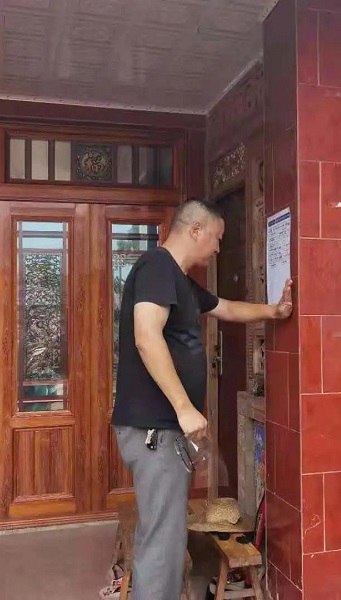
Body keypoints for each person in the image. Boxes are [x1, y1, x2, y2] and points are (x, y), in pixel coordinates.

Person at [111, 198, 292, 600]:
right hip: (155, 429)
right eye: (217, 237)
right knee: (163, 542)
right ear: (195, 230)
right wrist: (183, 407)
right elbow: (146, 336)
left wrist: (276, 312)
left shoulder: (179, 280)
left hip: (163, 431)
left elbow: (226, 308)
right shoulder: (157, 267)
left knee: (165, 534)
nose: (218, 247)